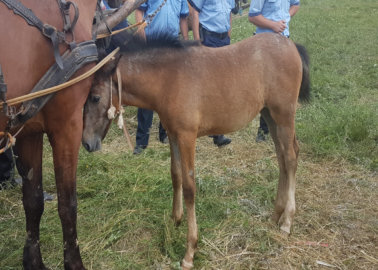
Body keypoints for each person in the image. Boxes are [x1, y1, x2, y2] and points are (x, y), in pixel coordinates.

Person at [133, 0, 189, 155]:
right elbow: (139, 12)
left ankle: (164, 134)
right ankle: (141, 142)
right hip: (152, 43)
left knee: (169, 93)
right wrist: (142, 38)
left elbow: (183, 18)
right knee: (146, 92)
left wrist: (185, 40)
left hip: (171, 45)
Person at [248, 0, 300, 142]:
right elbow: (252, 16)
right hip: (265, 46)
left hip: (283, 42)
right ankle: (264, 131)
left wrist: (286, 17)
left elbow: (296, 4)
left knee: (283, 90)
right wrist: (273, 25)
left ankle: (285, 130)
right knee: (266, 90)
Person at [188, 0, 233, 147]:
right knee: (209, 85)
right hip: (208, 38)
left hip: (223, 39)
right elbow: (195, 13)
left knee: (221, 84)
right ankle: (203, 126)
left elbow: (230, 12)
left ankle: (216, 130)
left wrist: (229, 32)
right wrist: (197, 42)